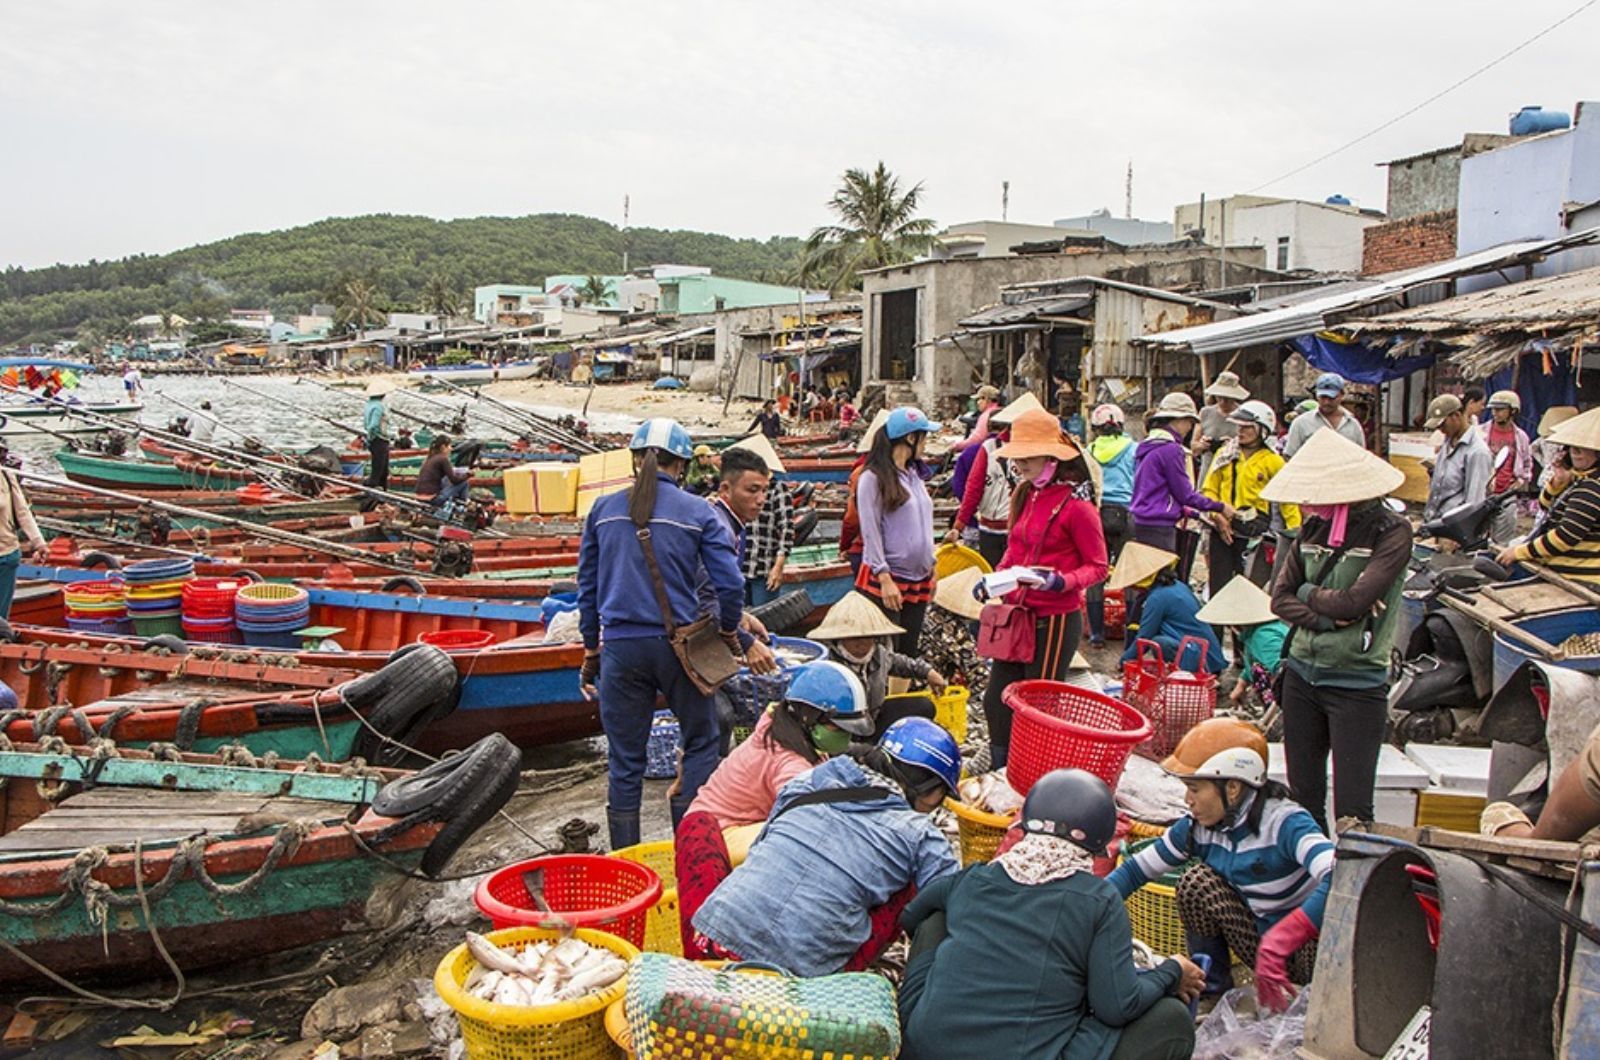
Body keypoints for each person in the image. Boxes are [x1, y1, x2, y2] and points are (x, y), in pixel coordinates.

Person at [900, 769, 1203, 1060]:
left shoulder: (973, 878)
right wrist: (1171, 972)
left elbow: (912, 916)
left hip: (925, 1049)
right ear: (1097, 842)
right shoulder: (1098, 901)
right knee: (1171, 1020)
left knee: (937, 919)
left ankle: (910, 1026)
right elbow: (1117, 1007)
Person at [577, 418, 747, 848]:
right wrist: (728, 631)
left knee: (625, 761)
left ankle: (628, 864)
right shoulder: (698, 512)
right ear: (683, 466)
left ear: (636, 461)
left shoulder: (602, 510)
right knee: (701, 740)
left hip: (618, 649)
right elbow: (730, 585)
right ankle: (689, 850)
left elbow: (587, 589)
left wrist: (590, 650)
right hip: (679, 647)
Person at [688, 717, 962, 976]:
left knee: (706, 829)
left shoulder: (805, 782)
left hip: (711, 949)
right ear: (929, 788)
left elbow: (762, 845)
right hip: (800, 983)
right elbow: (953, 913)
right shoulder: (921, 835)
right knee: (918, 890)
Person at [1107, 719, 1335, 1011]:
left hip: (1310, 948)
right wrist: (1087, 909)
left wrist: (1286, 935)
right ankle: (1211, 995)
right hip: (1262, 946)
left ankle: (1318, 1005)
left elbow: (1339, 875)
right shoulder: (1197, 828)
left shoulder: (1285, 823)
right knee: (1196, 883)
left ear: (1233, 788)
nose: (1187, 800)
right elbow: (1133, 872)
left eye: (1195, 789)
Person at [1263, 428, 1412, 831]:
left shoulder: (1391, 532)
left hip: (1357, 684)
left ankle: (1347, 888)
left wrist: (1306, 594)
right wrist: (1326, 613)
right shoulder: (1311, 530)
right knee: (1303, 802)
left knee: (1353, 812)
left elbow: (1356, 602)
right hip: (1300, 677)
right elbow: (1279, 598)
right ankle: (1312, 885)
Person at [676, 660, 876, 954]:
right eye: (837, 727)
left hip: (726, 829)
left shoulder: (784, 731)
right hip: (715, 841)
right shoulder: (786, 762)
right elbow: (810, 822)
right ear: (809, 717)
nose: (846, 737)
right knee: (807, 838)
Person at [973, 408, 1108, 770]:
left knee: (1037, 702)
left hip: (1055, 619)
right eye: (1017, 457)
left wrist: (1060, 581)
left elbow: (1098, 567)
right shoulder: (1024, 495)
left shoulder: (1078, 508)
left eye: (1027, 457)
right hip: (1018, 615)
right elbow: (1013, 551)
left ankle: (1034, 770)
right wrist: (992, 579)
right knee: (996, 698)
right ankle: (1003, 768)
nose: (1019, 464)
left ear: (1052, 457)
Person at [1128, 392, 1233, 633]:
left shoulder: (1147, 447)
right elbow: (1185, 495)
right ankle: (1145, 642)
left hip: (1143, 523)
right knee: (1159, 589)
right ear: (1180, 420)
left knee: (1145, 587)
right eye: (1189, 422)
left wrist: (1198, 516)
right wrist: (1219, 507)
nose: (1189, 428)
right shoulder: (1171, 450)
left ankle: (1135, 641)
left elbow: (1163, 495)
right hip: (1160, 529)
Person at [855, 407, 940, 655]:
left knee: (909, 651)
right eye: (924, 437)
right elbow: (870, 530)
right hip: (890, 579)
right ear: (910, 438)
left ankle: (901, 695)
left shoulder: (914, 475)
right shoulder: (872, 478)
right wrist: (883, 576)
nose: (926, 444)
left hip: (920, 577)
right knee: (887, 653)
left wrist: (931, 564)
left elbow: (924, 522)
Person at [808, 591, 948, 740]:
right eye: (853, 638)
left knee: (924, 706)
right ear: (839, 639)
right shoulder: (827, 666)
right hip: (843, 729)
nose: (861, 644)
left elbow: (901, 663)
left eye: (867, 638)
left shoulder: (878, 654)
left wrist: (929, 673)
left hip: (873, 717)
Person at [1201, 400, 1300, 596]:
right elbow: (1209, 490)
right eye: (1239, 426)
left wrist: (1295, 534)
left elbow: (1287, 501)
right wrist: (1217, 516)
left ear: (1262, 430)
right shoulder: (1224, 454)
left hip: (1254, 531)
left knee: (1248, 584)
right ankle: (1217, 626)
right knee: (1218, 585)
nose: (1241, 431)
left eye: (1247, 427)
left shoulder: (1273, 461)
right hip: (1221, 527)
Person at [1496, 405, 1600, 583]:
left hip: (1580, 578)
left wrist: (1519, 552)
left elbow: (1565, 536)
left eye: (1583, 448)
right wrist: (1557, 483)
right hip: (1560, 571)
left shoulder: (1592, 487)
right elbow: (1545, 508)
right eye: (1573, 446)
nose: (1575, 452)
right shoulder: (1578, 479)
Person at [946, 394, 1036, 568]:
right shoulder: (989, 449)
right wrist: (959, 526)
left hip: (1015, 530)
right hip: (998, 529)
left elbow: (972, 490)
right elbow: (973, 489)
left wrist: (959, 526)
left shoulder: (1034, 452)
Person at [1112, 543, 1224, 675]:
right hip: (1208, 655)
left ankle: (1189, 674)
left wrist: (1124, 662)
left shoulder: (1157, 598)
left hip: (1201, 659)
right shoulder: (1178, 586)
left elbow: (1145, 636)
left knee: (1159, 643)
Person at [1197, 575, 1289, 712]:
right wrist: (1242, 683)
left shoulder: (1263, 636)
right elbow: (1254, 659)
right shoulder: (1254, 635)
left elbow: (1282, 671)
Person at [1085, 402, 1136, 648]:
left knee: (1097, 573)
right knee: (1129, 576)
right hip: (1127, 514)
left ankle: (1096, 634)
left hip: (1098, 514)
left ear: (1096, 429)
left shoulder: (1090, 450)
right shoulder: (1134, 449)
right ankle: (1130, 639)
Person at [731, 435, 793, 607]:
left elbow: (787, 528)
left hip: (763, 568)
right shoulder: (739, 489)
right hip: (739, 568)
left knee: (766, 621)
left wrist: (778, 566)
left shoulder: (777, 489)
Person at [1421, 393, 1492, 524]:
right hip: (1434, 521)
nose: (1440, 430)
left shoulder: (1477, 452)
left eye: (1443, 425)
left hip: (1453, 528)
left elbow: (1474, 503)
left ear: (1457, 416)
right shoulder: (1447, 443)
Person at [838, 409, 889, 576]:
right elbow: (853, 518)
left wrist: (844, 546)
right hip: (872, 554)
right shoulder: (865, 474)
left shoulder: (861, 471)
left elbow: (851, 519)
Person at [1479, 389, 1532, 543]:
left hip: (1507, 494)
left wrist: (1521, 480)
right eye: (1494, 409)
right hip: (1483, 492)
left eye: (1501, 409)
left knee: (1502, 541)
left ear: (1512, 411)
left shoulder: (1520, 437)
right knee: (1477, 537)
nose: (1496, 413)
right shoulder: (1481, 432)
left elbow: (1527, 463)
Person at [1282, 373, 1365, 458]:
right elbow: (1289, 456)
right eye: (1323, 397)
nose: (1326, 402)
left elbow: (1361, 458)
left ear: (1342, 395)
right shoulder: (1301, 423)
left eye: (1331, 398)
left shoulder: (1353, 425)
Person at [0, 466, 46, 619]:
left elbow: (22, 512)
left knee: (1, 616)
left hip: (7, 553)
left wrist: (39, 543)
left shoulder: (6, 476)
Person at [1193, 370, 1249, 479]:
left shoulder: (1243, 415)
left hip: (1234, 473)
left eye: (1227, 398)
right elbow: (1194, 448)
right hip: (1208, 471)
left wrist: (1232, 445)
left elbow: (1252, 448)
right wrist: (1203, 444)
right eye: (1219, 397)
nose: (1223, 401)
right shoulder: (1205, 413)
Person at [416, 434, 472, 506]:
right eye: (449, 446)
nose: (451, 448)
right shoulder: (443, 459)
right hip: (434, 499)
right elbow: (454, 480)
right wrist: (468, 475)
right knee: (464, 482)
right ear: (443, 447)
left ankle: (458, 505)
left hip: (419, 496)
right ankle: (463, 506)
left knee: (445, 480)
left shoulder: (429, 458)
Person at [951, 385, 1002, 452]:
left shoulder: (986, 415)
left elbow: (976, 439)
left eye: (979, 399)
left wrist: (956, 446)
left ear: (985, 399)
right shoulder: (999, 411)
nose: (978, 403)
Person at [363, 381, 393, 496]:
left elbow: (366, 424)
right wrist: (372, 437)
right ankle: (376, 493)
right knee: (380, 471)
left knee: (379, 467)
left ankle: (380, 493)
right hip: (380, 439)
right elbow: (373, 425)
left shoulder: (369, 404)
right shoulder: (379, 406)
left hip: (375, 440)